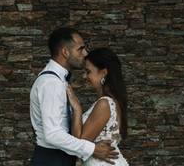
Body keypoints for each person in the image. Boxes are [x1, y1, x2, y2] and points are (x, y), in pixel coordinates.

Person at [30, 27, 120, 166]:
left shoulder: (59, 80)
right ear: (65, 52)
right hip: (52, 160)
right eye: (80, 49)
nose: (85, 53)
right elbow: (52, 134)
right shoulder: (51, 83)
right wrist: (93, 149)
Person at [66, 48, 129, 166]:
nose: (85, 76)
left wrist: (77, 109)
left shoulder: (105, 104)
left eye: (88, 71)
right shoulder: (114, 101)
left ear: (104, 72)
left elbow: (80, 144)